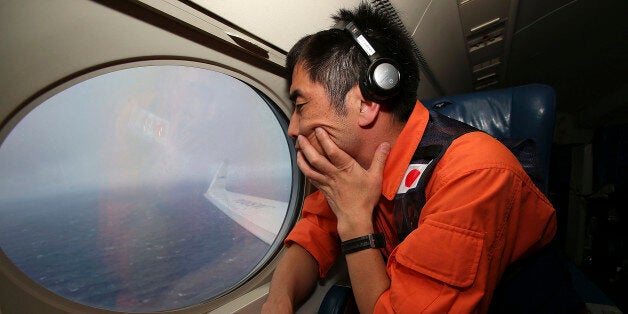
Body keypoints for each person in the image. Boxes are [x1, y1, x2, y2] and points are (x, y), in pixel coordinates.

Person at [262, 3, 557, 313]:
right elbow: (312, 238)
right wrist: (279, 298)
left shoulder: (475, 174)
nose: (293, 128)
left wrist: (354, 220)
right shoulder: (349, 169)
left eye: (301, 105)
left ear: (365, 104)